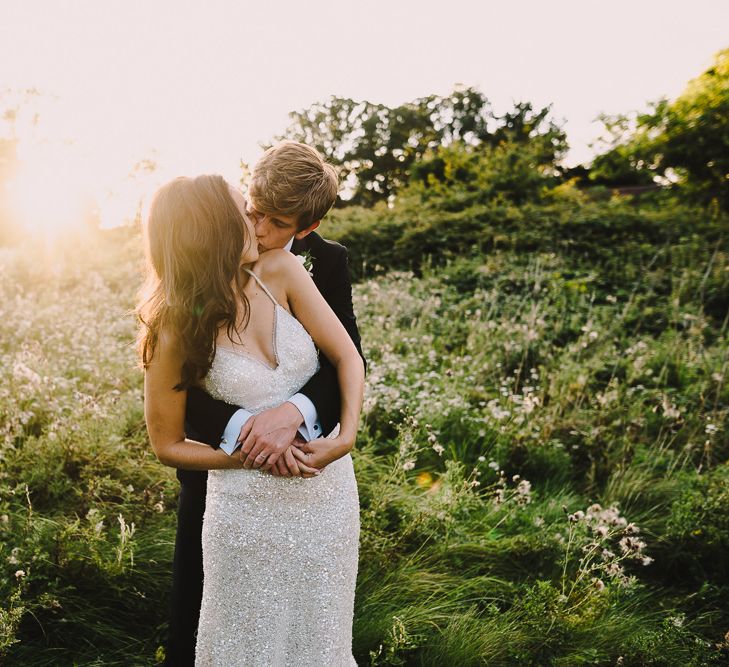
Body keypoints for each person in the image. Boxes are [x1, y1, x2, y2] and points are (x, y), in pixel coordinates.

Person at [139, 172, 365, 665]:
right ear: (215, 231)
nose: (255, 223)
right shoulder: (173, 325)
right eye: (245, 211)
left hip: (326, 495)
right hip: (242, 510)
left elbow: (347, 356)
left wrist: (344, 438)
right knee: (244, 642)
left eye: (265, 215)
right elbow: (165, 442)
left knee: (321, 639)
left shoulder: (283, 269)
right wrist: (248, 456)